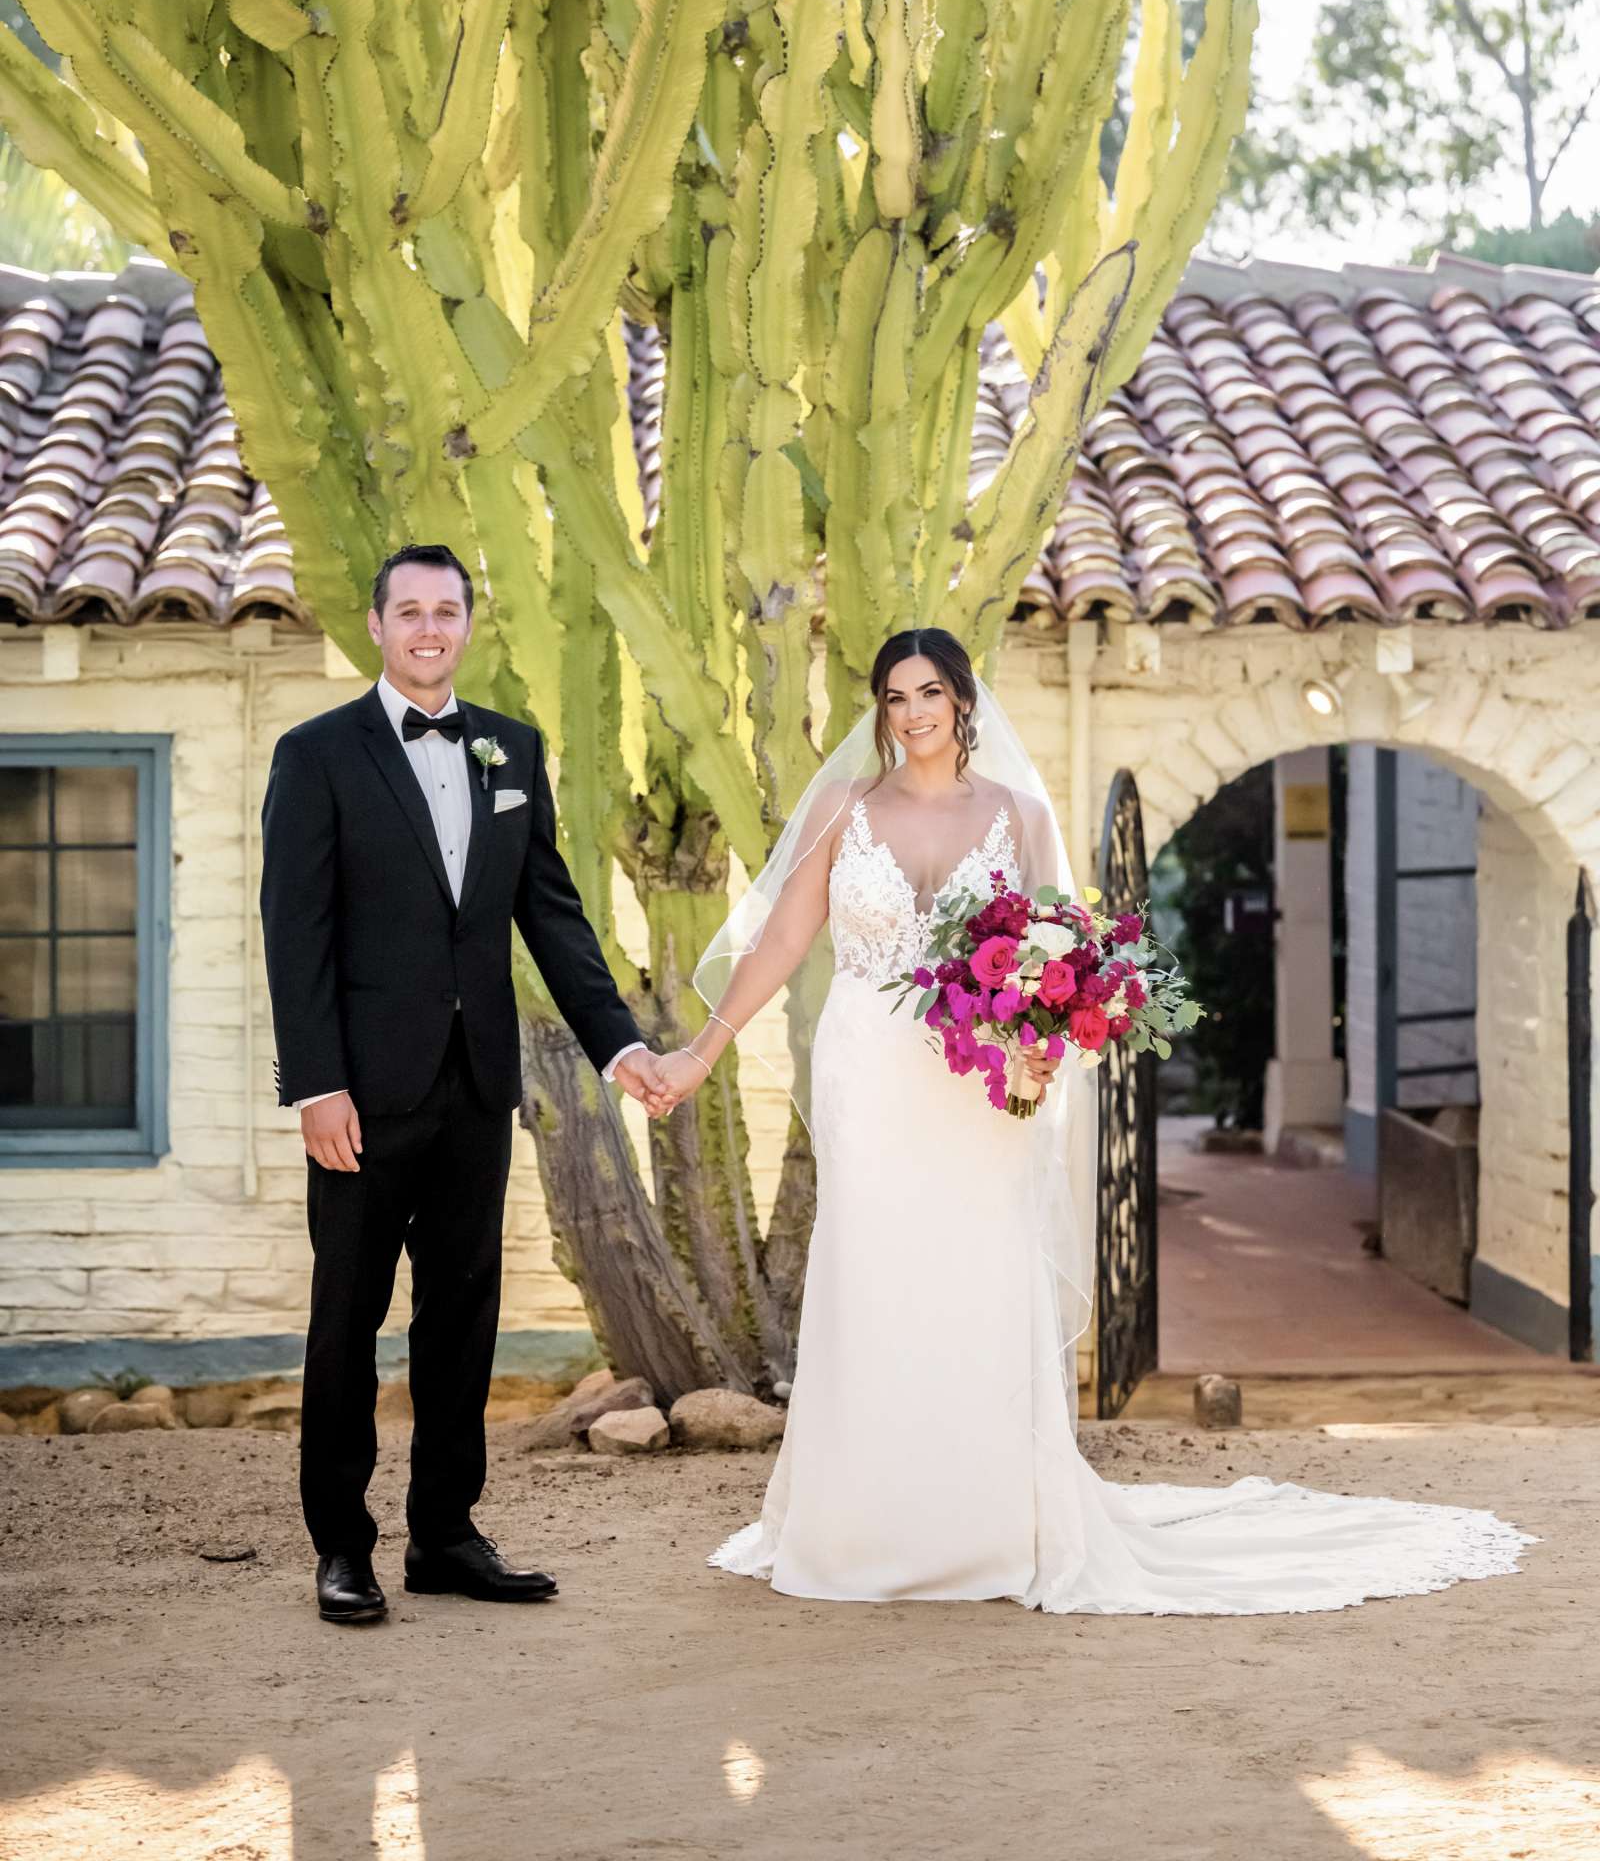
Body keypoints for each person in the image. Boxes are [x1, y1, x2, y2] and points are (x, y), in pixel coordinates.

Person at [648, 627, 1535, 1615]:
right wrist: (700, 1051)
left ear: (963, 700)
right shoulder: (840, 807)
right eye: (893, 696)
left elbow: (1065, 967)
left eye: (929, 692)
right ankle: (861, 1523)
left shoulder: (1019, 816)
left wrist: (1042, 1048)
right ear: (878, 709)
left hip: (979, 1086)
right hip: (871, 1073)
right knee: (872, 1271)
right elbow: (780, 942)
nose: (912, 714)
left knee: (982, 1274)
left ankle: (990, 1527)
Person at [260, 543, 668, 1625]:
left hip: (475, 1087)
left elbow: (555, 920)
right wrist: (315, 1086)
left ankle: (445, 1534)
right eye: (409, 611)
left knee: (461, 1317)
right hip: (359, 1092)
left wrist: (620, 1047)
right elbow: (292, 934)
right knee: (345, 1318)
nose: (428, 628)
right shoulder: (317, 756)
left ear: (468, 624)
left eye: (447, 610)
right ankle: (341, 1546)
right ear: (379, 623)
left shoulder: (509, 750)